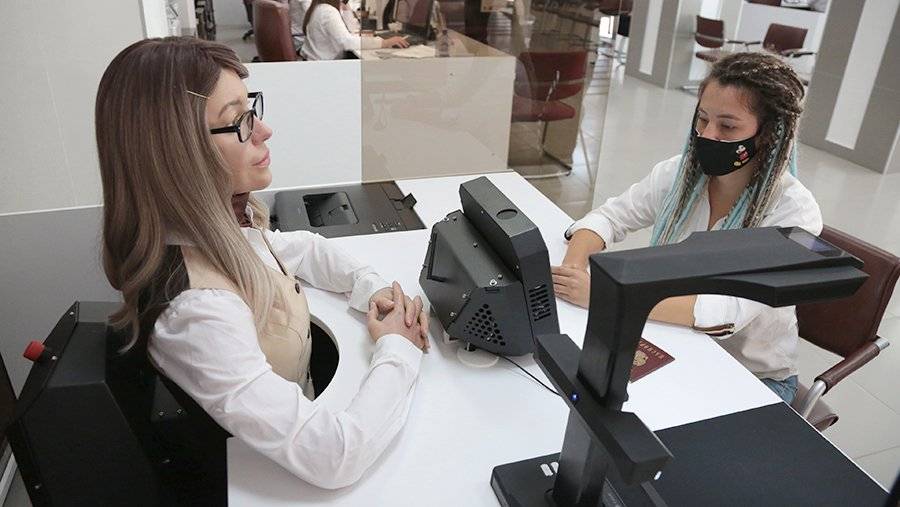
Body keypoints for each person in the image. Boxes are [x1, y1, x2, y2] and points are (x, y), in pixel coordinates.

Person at [95, 37, 429, 489]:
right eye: (238, 121)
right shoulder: (198, 312)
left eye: (250, 110)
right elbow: (333, 458)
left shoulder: (214, 226)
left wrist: (371, 287)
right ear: (177, 153)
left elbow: (298, 248)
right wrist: (399, 349)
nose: (263, 131)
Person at [552, 52, 819, 404]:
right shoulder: (680, 176)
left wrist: (606, 298)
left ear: (769, 134)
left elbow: (724, 314)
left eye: (728, 127)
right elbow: (609, 217)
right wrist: (573, 269)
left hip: (748, 375)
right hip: (672, 341)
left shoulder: (794, 212)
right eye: (702, 119)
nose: (707, 135)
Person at [301, 0, 408, 60]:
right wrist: (384, 42)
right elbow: (346, 42)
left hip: (317, 64)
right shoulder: (328, 11)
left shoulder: (321, 7)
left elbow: (351, 28)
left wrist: (345, 5)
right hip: (324, 68)